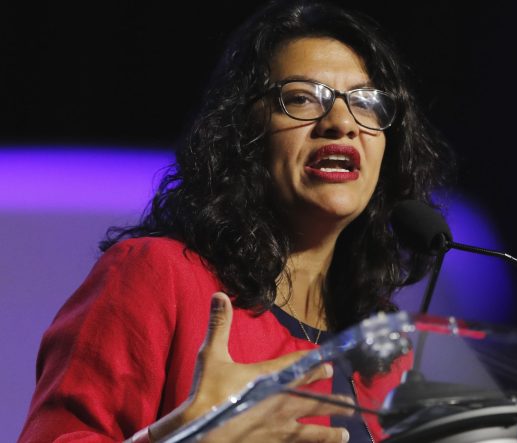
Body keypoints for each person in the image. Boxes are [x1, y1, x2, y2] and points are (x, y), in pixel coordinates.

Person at [18, 1, 451, 442]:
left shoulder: (383, 345)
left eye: (366, 103)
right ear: (244, 134)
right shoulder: (158, 274)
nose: (342, 123)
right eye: (302, 98)